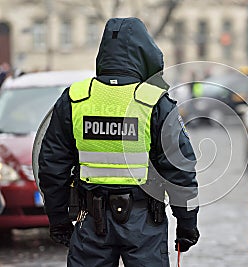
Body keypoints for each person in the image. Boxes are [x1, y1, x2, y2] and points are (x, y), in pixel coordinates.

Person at [38, 17, 199, 266]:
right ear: (145, 53)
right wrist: (186, 224)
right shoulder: (154, 102)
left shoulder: (76, 98)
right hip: (145, 222)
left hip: (90, 222)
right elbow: (179, 168)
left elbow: (51, 165)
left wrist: (58, 219)